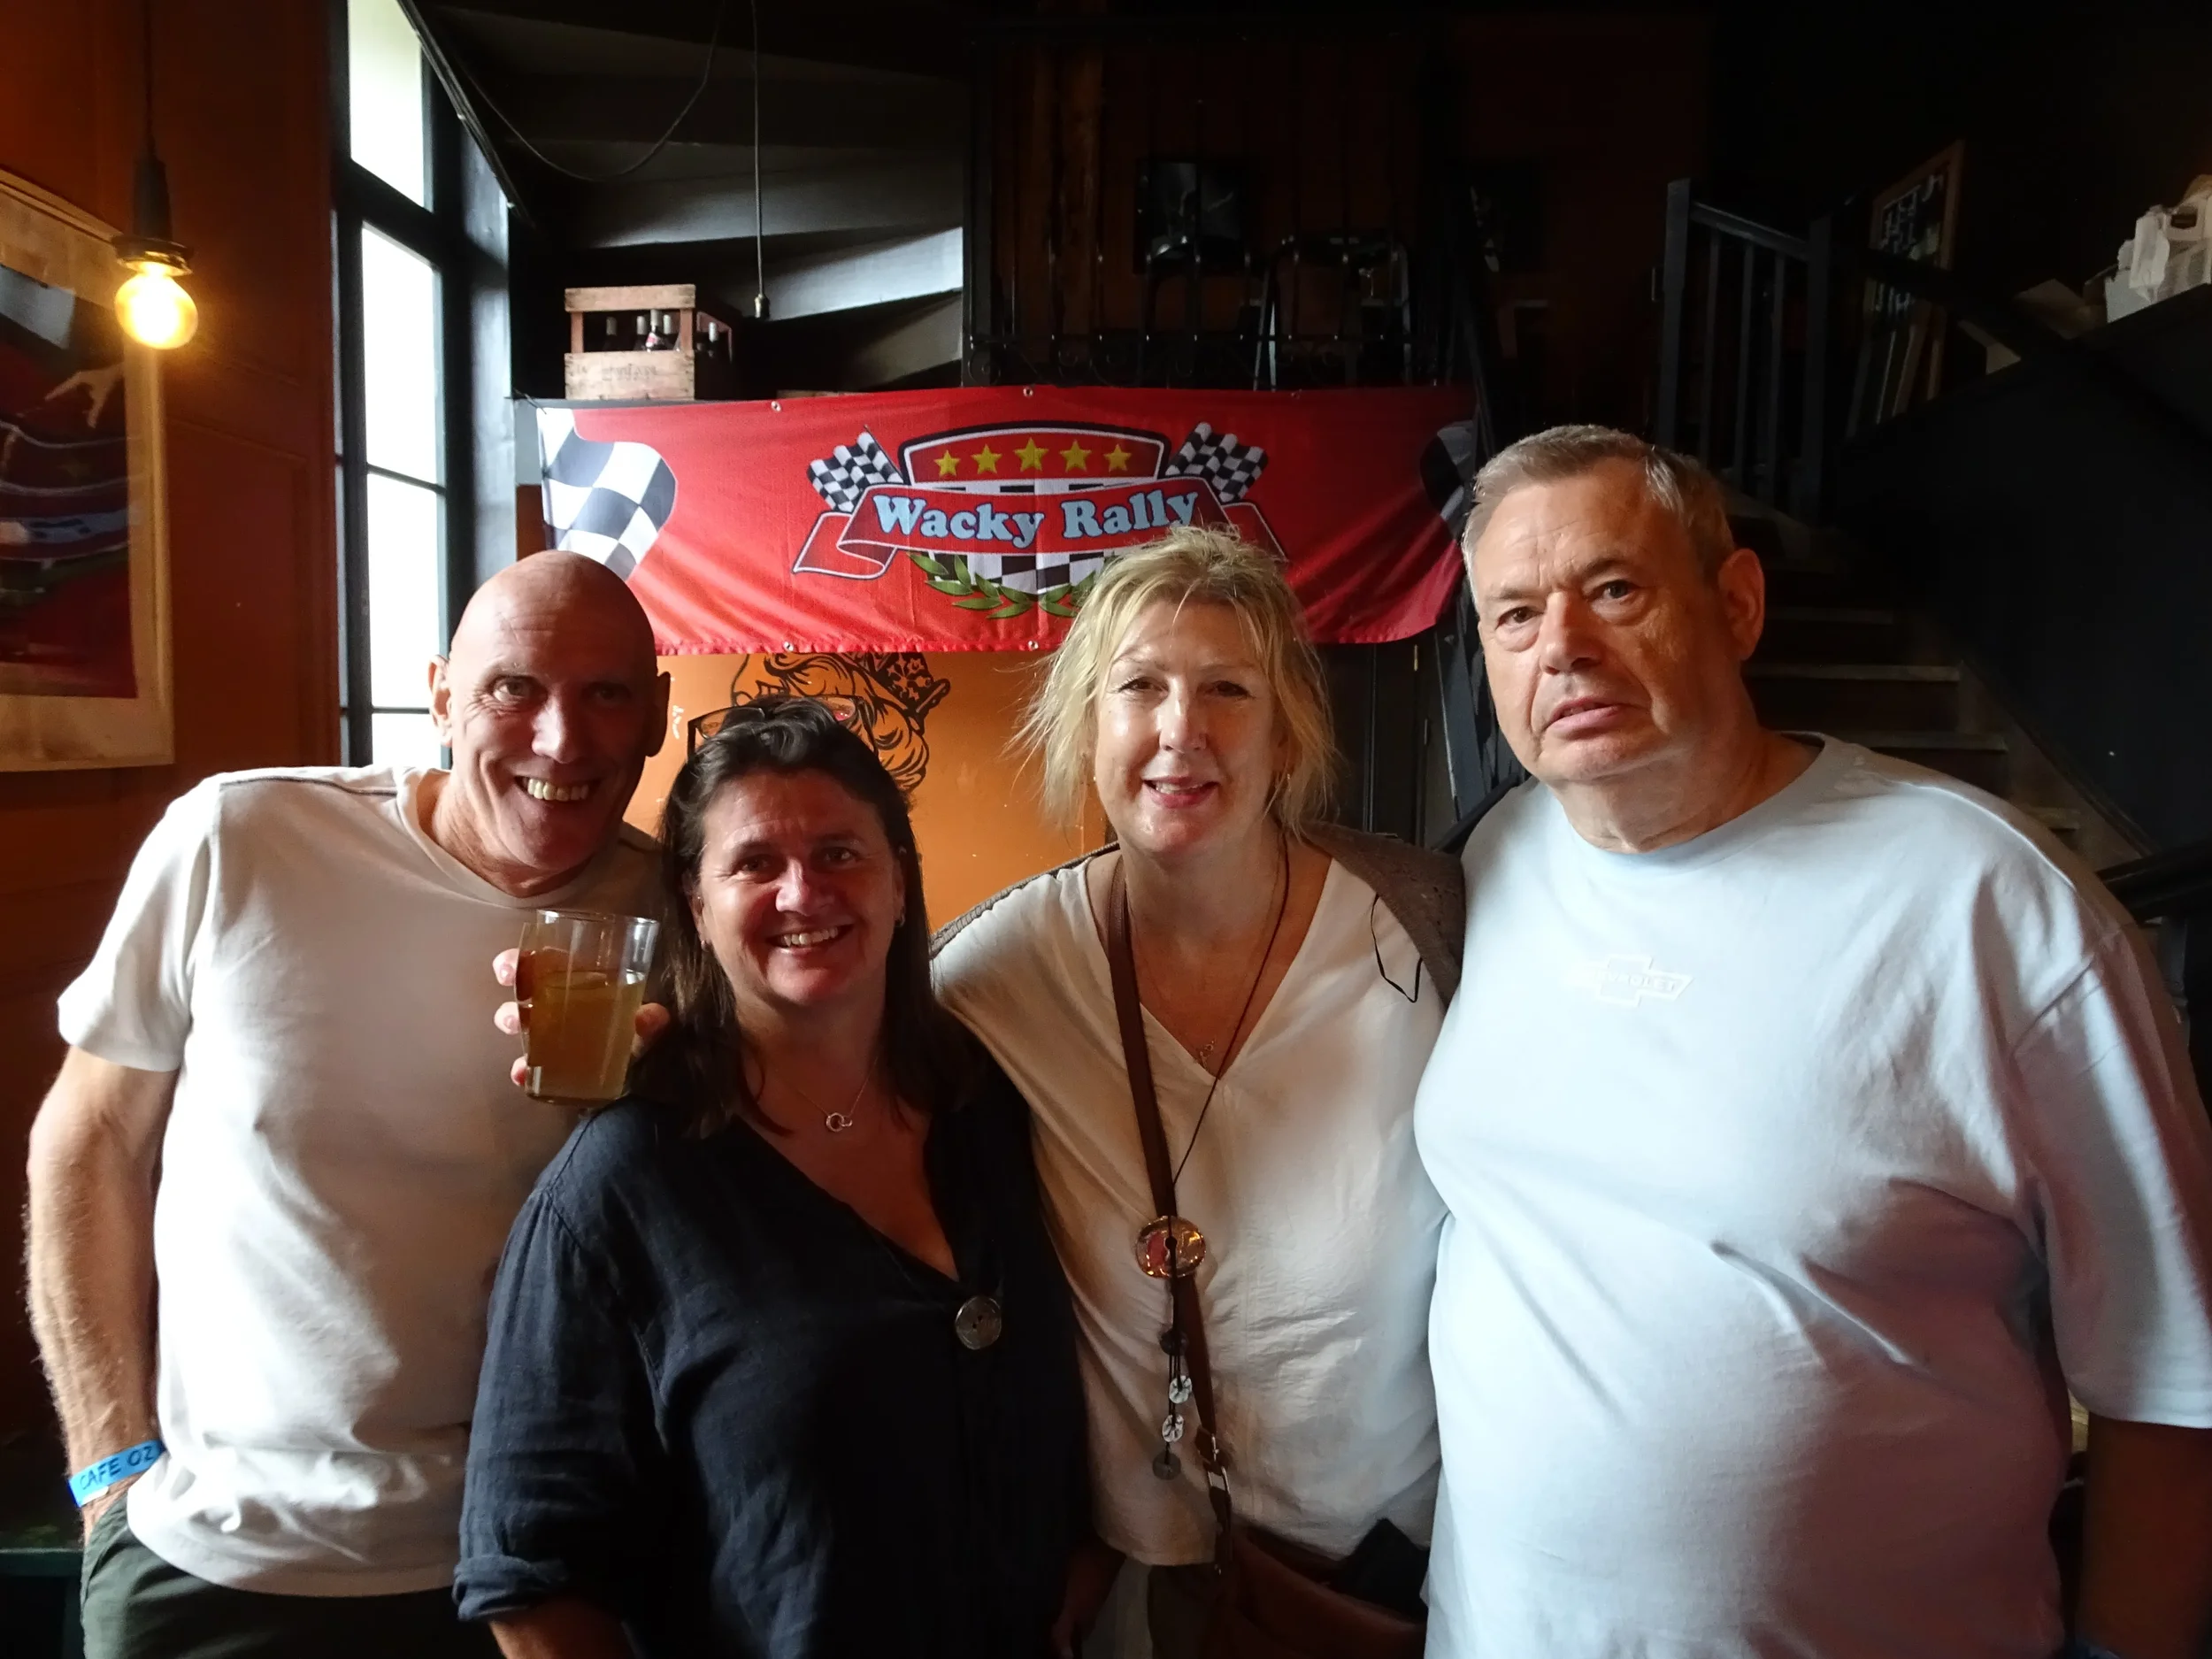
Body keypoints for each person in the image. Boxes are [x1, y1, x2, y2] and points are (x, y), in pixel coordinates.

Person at [1416, 424, 2212, 1659]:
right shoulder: (1496, 859)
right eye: (1513, 615)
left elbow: (2175, 1369)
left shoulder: (1987, 901)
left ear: (1735, 604)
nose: (1561, 645)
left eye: (1614, 589)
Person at [26, 552, 669, 1659]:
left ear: (657, 715)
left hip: (536, 1567)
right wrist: (109, 1471)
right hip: (212, 1559)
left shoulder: (681, 917)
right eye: (514, 688)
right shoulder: (242, 840)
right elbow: (85, 1142)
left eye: (607, 693)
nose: (563, 741)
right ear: (438, 696)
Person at [456, 697, 1088, 1657]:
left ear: (901, 886)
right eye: (754, 863)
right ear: (695, 907)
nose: (802, 893)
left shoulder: (987, 1109)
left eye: (840, 853)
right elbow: (534, 1584)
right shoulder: (619, 1189)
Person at [933, 526, 1464, 1656]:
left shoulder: (1426, 925)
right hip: (1139, 1577)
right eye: (1139, 689)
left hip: (1394, 1567)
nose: (1182, 730)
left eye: (1228, 687)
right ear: (1089, 728)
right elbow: (822, 1078)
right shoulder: (998, 972)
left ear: (1285, 736)